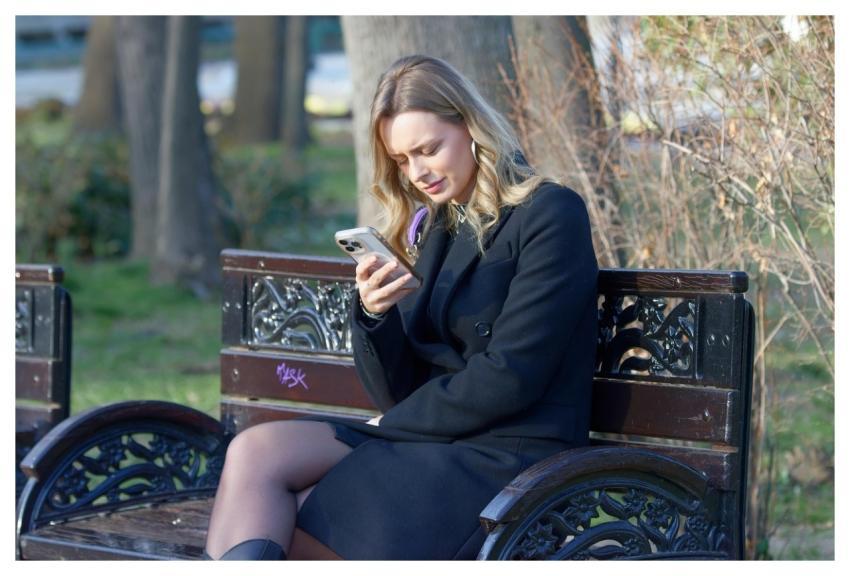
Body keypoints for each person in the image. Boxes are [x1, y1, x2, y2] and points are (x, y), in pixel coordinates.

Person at [203, 54, 599, 561]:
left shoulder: (550, 214)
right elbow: (397, 391)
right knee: (255, 452)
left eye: (428, 149)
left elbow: (511, 376)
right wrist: (374, 315)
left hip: (509, 455)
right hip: (431, 438)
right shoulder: (443, 223)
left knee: (294, 512)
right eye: (402, 160)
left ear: (471, 126)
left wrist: (391, 427)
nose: (417, 173)